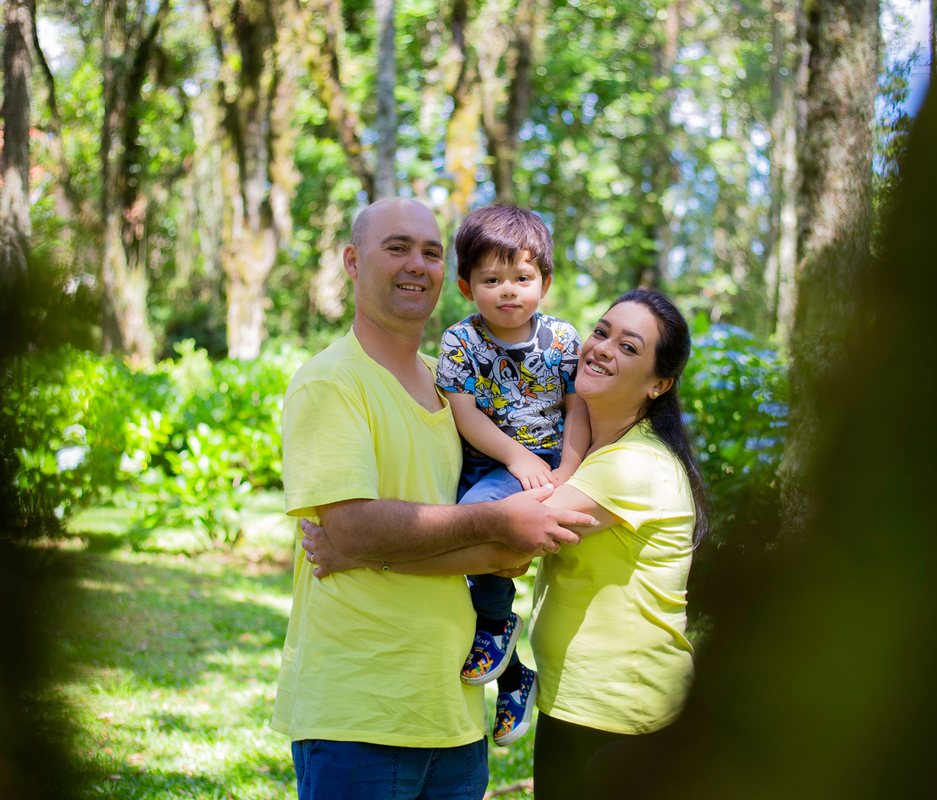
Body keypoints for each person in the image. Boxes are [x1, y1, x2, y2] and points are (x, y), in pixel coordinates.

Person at [302, 289, 710, 800]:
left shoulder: (633, 466)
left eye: (629, 347)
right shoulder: (593, 452)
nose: (603, 347)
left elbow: (507, 548)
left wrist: (361, 551)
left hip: (629, 712)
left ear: (659, 384)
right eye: (602, 332)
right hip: (576, 702)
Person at [273, 196, 595, 800]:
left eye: (429, 251)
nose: (416, 264)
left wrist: (501, 534)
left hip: (455, 710)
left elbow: (505, 549)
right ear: (352, 260)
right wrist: (498, 526)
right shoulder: (329, 382)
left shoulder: (452, 386)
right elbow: (357, 529)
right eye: (396, 247)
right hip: (361, 713)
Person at [435, 204, 591, 747]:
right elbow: (464, 413)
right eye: (491, 279)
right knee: (451, 549)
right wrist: (515, 457)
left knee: (476, 525)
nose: (508, 291)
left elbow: (577, 409)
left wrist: (565, 470)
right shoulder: (459, 342)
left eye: (522, 278)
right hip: (485, 460)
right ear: (465, 285)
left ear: (544, 282)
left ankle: (499, 629)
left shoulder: (562, 341)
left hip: (546, 462)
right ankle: (516, 675)